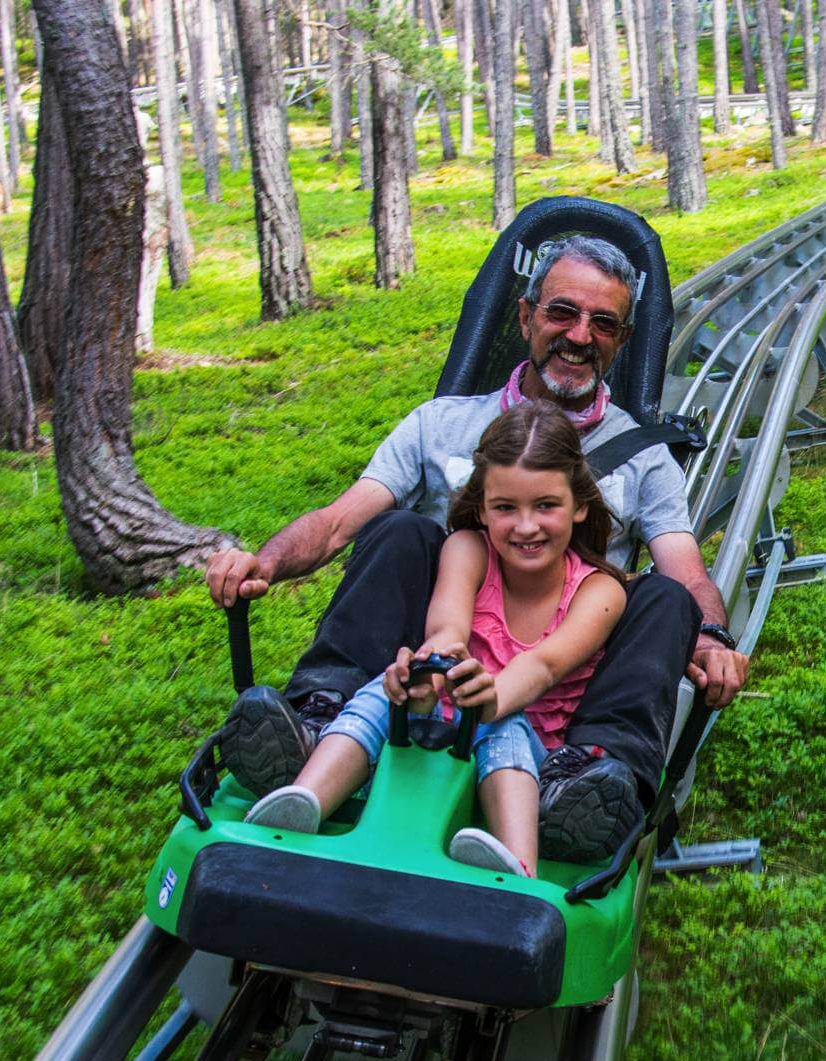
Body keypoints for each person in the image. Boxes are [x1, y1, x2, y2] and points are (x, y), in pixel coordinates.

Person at [204, 235, 750, 857]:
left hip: (571, 659)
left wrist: (711, 638)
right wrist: (266, 562)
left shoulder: (645, 455)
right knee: (400, 530)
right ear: (525, 316)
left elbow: (684, 569)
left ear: (621, 341)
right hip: (436, 656)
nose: (579, 335)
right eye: (562, 312)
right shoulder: (441, 424)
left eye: (602, 323)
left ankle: (591, 775)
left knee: (663, 600)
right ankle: (319, 719)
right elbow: (337, 522)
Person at [243, 403, 625, 877]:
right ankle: (304, 802)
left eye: (546, 506)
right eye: (505, 507)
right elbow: (447, 629)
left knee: (502, 725)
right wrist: (424, 670)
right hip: (447, 718)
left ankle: (518, 862)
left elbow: (543, 666)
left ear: (579, 505)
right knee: (378, 694)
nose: (526, 527)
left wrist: (489, 700)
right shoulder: (467, 549)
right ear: (482, 508)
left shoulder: (599, 591)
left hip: (529, 750)